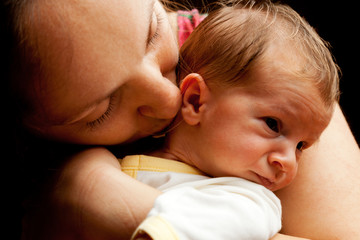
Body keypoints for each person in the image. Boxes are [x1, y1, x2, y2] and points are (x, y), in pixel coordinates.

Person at [1, 0, 358, 239]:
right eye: (102, 108)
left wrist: (91, 196)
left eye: (153, 34)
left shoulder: (251, 61)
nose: (170, 97)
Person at [118, 1, 338, 239]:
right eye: (273, 125)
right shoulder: (125, 146)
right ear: (195, 101)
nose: (288, 163)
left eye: (300, 146)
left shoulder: (249, 202)